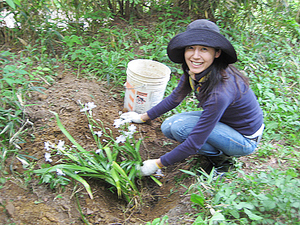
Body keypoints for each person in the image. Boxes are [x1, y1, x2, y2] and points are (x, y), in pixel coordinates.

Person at [121, 19, 264, 176]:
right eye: (191, 48)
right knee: (168, 126)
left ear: (216, 53)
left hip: (244, 139)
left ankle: (224, 161)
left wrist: (156, 164)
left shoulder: (220, 92)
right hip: (223, 121)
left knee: (181, 129)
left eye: (204, 49)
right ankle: (217, 148)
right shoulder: (197, 72)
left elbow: (194, 143)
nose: (195, 56)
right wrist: (142, 117)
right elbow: (176, 97)